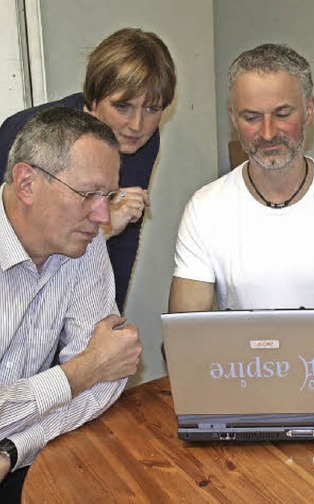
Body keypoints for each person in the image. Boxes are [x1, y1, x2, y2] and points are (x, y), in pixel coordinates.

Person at [169, 43, 314, 365]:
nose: (267, 133)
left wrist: (300, 364)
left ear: (309, 111)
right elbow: (182, 336)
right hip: (244, 378)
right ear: (233, 117)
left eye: (282, 114)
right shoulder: (205, 207)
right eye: (251, 117)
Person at [0, 108, 143, 502]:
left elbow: (107, 382)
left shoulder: (84, 241)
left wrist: (14, 450)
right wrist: (82, 369)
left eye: (109, 196)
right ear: (26, 183)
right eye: (87, 194)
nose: (102, 216)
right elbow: (97, 367)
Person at [0, 27, 177, 312]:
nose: (137, 125)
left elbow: (123, 241)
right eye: (123, 106)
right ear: (92, 100)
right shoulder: (27, 134)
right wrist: (103, 230)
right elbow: (21, 250)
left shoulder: (139, 142)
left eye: (152, 109)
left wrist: (108, 319)